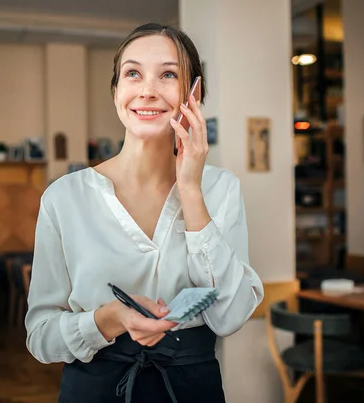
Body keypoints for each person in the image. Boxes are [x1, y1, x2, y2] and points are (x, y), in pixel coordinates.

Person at [25, 22, 264, 403]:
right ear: (117, 90)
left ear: (194, 93)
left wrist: (190, 189)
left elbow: (230, 317)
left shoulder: (221, 189)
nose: (148, 90)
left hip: (193, 389)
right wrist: (110, 318)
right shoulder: (64, 198)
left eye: (168, 74)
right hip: (94, 390)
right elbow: (40, 337)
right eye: (133, 73)